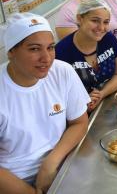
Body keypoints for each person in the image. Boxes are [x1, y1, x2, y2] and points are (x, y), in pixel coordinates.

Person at [0, 13, 89, 194]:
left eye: (50, 47)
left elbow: (79, 122)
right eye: (34, 49)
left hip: (62, 166)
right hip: (13, 182)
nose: (46, 58)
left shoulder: (61, 72)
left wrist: (51, 163)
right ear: (11, 51)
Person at [56, 0, 117, 112]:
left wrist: (101, 94)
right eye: (95, 20)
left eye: (106, 22)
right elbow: (59, 96)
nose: (101, 28)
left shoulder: (108, 39)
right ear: (80, 18)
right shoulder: (61, 52)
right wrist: (82, 103)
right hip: (76, 112)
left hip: (106, 103)